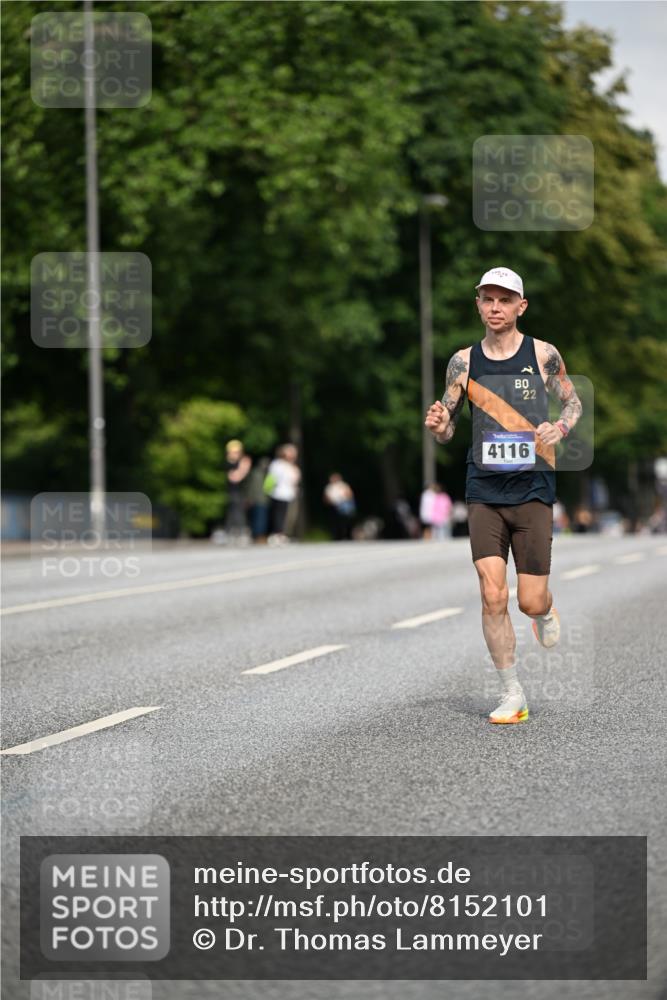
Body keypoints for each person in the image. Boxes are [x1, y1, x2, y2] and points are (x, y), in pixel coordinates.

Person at [424, 266, 582, 724]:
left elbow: (572, 401)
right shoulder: (463, 362)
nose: (495, 308)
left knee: (528, 601)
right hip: (484, 490)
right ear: (478, 304)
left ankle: (545, 610)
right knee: (492, 595)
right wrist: (439, 427)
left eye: (504, 300)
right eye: (487, 299)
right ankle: (512, 692)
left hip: (533, 487)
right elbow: (448, 426)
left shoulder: (544, 355)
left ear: (521, 306)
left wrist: (561, 427)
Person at [265, 443, 301, 545]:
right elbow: (273, 478)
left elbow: (296, 478)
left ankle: (284, 534)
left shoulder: (291, 466)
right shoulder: (277, 464)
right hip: (278, 493)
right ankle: (277, 534)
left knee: (288, 516)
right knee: (279, 515)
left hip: (289, 494)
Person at [224, 440, 251, 541]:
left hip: (242, 491)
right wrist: (244, 467)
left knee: (240, 511)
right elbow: (234, 477)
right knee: (235, 512)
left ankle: (238, 532)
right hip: (233, 492)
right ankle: (235, 532)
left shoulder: (241, 462)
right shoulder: (228, 463)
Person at [323, 473, 356, 541]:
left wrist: (343, 500)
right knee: (334, 522)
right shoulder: (329, 487)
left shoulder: (343, 485)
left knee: (344, 522)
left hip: (343, 506)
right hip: (333, 506)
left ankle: (346, 536)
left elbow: (350, 494)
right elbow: (326, 498)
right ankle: (336, 537)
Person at [245, 456, 271, 542]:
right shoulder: (256, 473)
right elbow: (251, 487)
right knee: (259, 518)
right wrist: (249, 498)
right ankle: (258, 536)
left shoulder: (267, 474)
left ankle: (259, 535)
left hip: (264, 499)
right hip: (258, 499)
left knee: (261, 518)